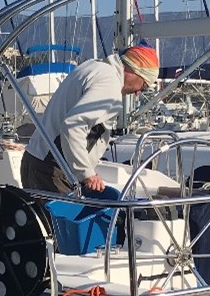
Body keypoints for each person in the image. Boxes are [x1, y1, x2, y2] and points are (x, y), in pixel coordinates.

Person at [20, 44, 159, 194]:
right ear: (134, 70)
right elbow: (73, 125)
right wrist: (86, 173)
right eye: (144, 85)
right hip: (53, 170)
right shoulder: (110, 84)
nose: (138, 92)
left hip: (34, 160)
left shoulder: (92, 66)